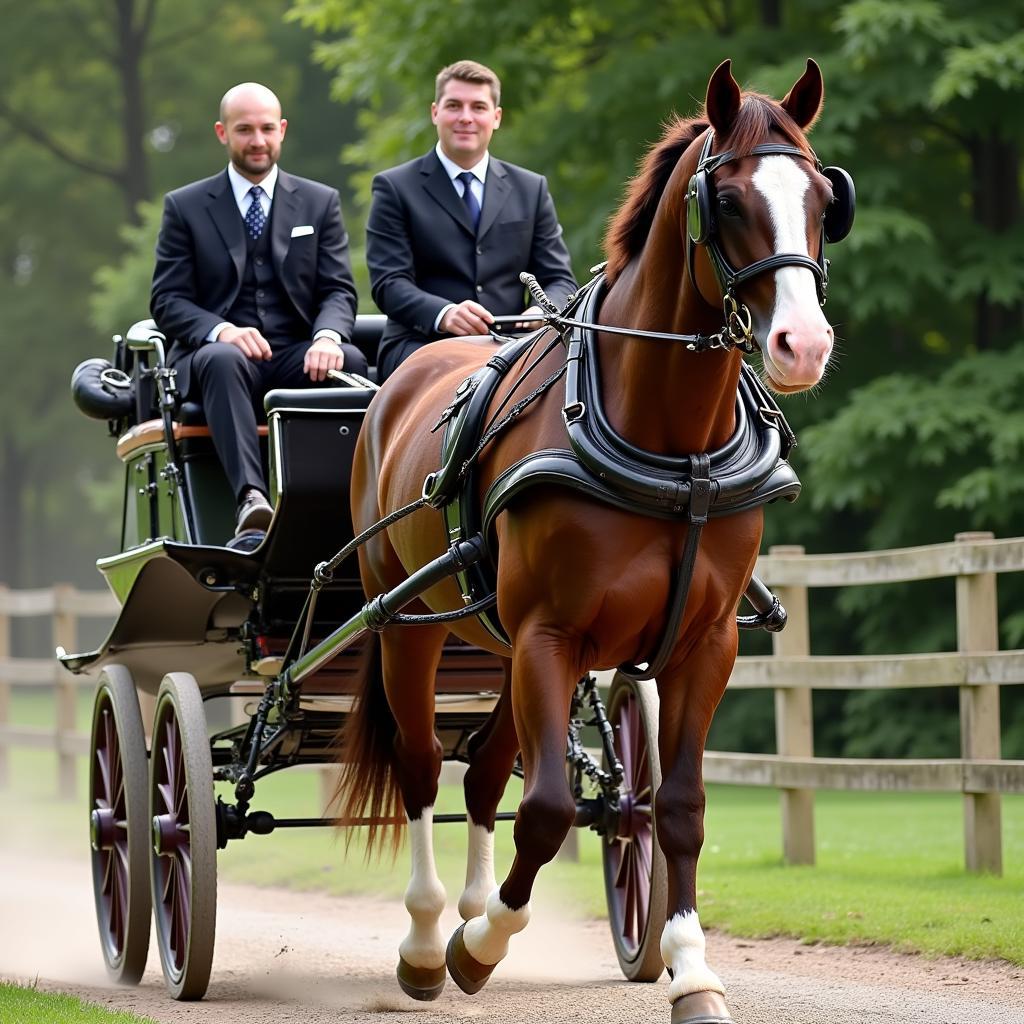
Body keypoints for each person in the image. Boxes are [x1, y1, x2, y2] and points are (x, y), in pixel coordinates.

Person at [151, 82, 366, 538]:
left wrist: (328, 337)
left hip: (294, 354)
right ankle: (251, 500)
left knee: (350, 362)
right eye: (244, 129)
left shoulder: (319, 201)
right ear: (222, 133)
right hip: (215, 360)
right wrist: (221, 330)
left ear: (282, 130)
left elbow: (339, 291)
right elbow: (167, 301)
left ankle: (350, 509)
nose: (257, 140)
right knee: (224, 359)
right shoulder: (185, 207)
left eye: (267, 128)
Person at [366, 60, 577, 381]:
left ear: (496, 117)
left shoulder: (531, 188)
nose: (466, 117)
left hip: (513, 346)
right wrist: (444, 313)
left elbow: (560, 280)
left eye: (478, 107)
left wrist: (541, 312)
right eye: (454, 106)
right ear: (435, 112)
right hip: (422, 345)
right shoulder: (394, 187)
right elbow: (389, 284)